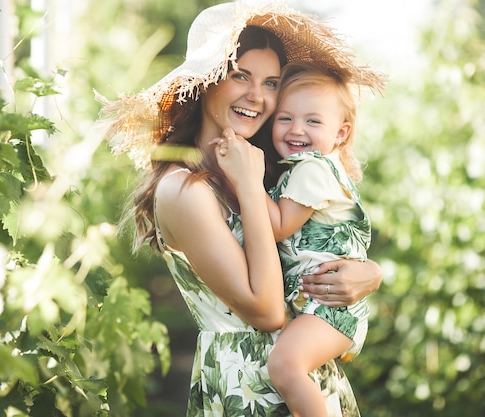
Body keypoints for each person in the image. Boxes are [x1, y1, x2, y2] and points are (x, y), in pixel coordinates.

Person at [96, 1, 385, 415]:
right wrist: (249, 186)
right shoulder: (186, 190)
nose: (257, 96)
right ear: (206, 82)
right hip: (250, 389)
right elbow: (266, 311)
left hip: (306, 383)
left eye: (271, 83)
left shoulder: (263, 170)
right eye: (240, 76)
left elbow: (320, 241)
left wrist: (368, 273)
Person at [258, 61, 378, 417]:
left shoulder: (311, 169)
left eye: (313, 121)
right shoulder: (303, 169)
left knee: (284, 365)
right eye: (285, 118)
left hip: (331, 307)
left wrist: (245, 179)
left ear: (340, 133)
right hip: (323, 305)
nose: (297, 130)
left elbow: (279, 226)